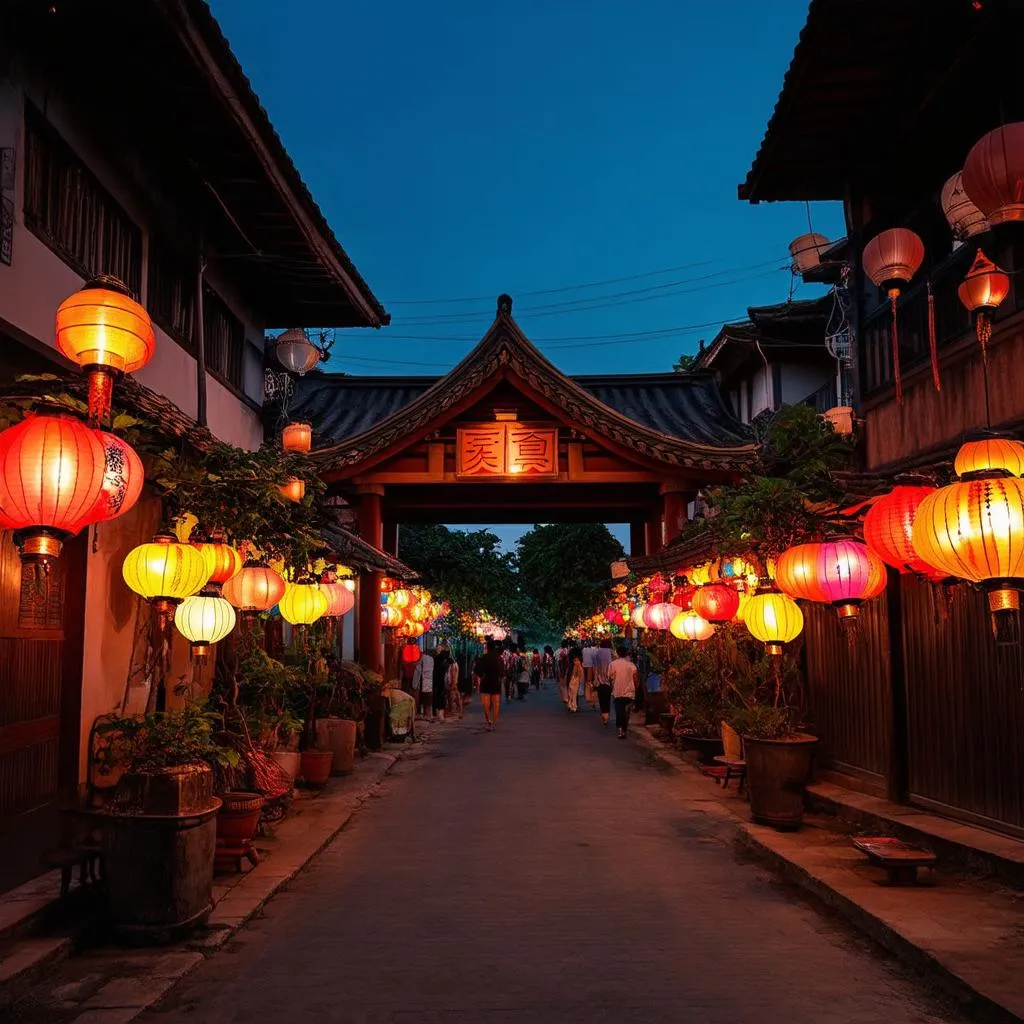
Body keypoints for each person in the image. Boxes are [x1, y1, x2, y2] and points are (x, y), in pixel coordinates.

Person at [474, 638, 505, 731]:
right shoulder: (499, 658)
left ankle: (488, 720)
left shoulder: (483, 658)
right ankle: (494, 722)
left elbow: (477, 670)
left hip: (486, 681)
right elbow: (502, 671)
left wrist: (482, 676)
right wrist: (500, 677)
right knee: (496, 702)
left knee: (486, 702)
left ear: (487, 647)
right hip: (496, 681)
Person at [609, 643, 638, 739]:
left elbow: (611, 677)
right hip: (630, 692)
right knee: (626, 713)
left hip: (618, 692)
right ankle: (624, 730)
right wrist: (636, 689)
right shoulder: (631, 665)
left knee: (619, 712)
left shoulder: (613, 664)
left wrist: (612, 687)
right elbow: (635, 679)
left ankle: (621, 730)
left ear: (617, 653)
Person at [593, 638, 613, 726]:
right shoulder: (612, 653)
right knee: (608, 699)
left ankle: (604, 715)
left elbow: (595, 667)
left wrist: (595, 679)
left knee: (601, 699)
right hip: (609, 681)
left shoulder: (597, 652)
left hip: (600, 681)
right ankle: (607, 715)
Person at [412, 647, 435, 720]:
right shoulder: (430, 659)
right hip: (425, 681)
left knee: (425, 698)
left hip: (425, 681)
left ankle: (424, 714)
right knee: (425, 698)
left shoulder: (426, 659)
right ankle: (425, 714)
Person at [432, 644, 452, 722]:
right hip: (439, 680)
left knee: (439, 697)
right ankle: (440, 715)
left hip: (438, 680)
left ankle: (439, 715)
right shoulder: (440, 659)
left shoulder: (438, 659)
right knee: (440, 697)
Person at [566, 645, 583, 713]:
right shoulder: (577, 661)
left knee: (570, 692)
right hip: (575, 678)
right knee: (574, 693)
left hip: (569, 676)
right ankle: (574, 707)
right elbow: (579, 672)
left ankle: (570, 705)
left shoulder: (571, 660)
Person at [556, 640, 571, 704]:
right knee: (566, 683)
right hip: (566, 668)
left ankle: (565, 697)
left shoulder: (558, 651)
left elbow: (557, 660)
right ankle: (567, 697)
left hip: (560, 668)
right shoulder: (567, 651)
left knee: (562, 684)